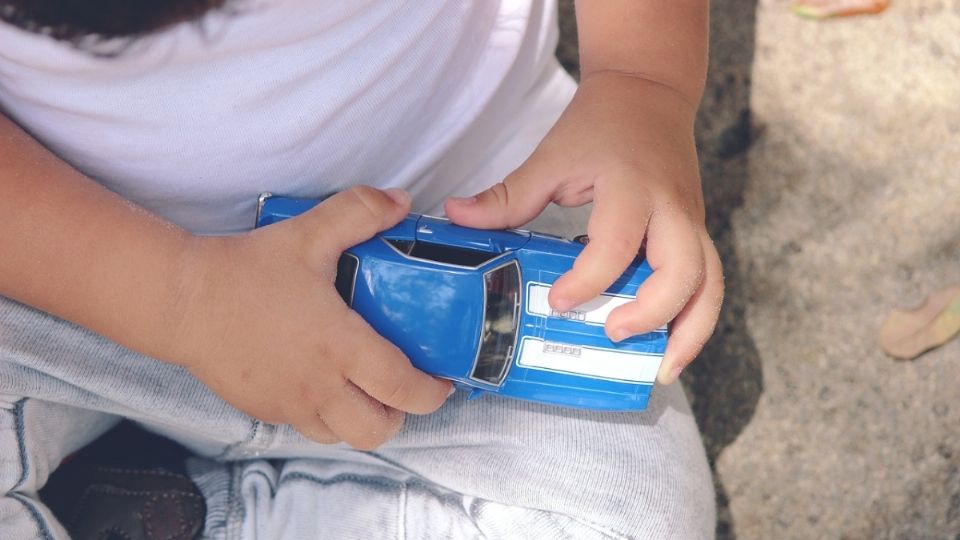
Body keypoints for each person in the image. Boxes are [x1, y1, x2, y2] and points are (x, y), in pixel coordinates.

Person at [0, 0, 723, 538]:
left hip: (490, 222)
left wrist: (640, 85)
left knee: (635, 519)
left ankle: (165, 512)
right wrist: (179, 297)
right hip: (81, 283)